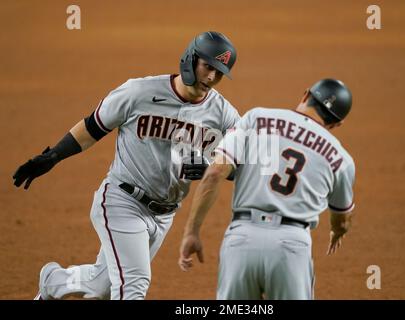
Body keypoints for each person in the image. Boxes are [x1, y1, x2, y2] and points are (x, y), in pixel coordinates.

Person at [13, 31, 240, 300]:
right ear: (190, 59)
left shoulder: (223, 114)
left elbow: (243, 165)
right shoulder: (139, 92)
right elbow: (93, 127)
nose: (212, 77)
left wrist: (210, 169)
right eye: (208, 67)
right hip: (122, 200)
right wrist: (53, 156)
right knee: (134, 284)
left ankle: (53, 282)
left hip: (164, 215)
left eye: (219, 72)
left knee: (103, 286)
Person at [178, 79, 355, 300]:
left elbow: (214, 173)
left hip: (242, 239)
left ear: (305, 95)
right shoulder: (341, 158)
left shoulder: (256, 118)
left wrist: (192, 231)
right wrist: (337, 231)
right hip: (291, 247)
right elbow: (342, 220)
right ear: (337, 124)